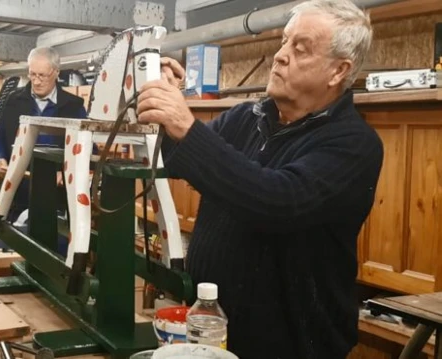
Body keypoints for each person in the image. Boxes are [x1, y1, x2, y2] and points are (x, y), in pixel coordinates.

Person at [138, 1, 383, 358]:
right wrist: (165, 106)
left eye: (299, 49)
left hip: (291, 344)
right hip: (214, 328)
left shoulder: (354, 145)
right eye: (284, 42)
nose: (280, 56)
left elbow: (277, 201)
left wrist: (185, 126)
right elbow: (179, 161)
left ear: (338, 71)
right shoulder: (246, 117)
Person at [0, 47, 88, 224]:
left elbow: (86, 149)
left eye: (42, 75)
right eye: (32, 74)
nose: (36, 81)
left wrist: (67, 172)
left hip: (57, 198)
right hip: (17, 195)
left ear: (56, 72)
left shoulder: (73, 107)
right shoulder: (11, 102)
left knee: (55, 247)